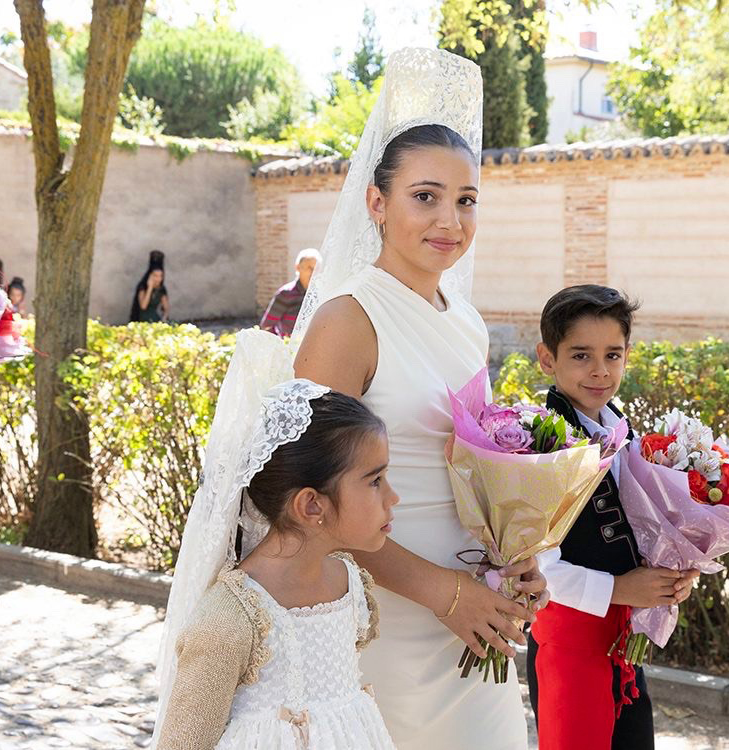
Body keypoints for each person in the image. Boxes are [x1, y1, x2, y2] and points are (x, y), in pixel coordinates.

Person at [291, 48, 544, 750]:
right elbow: (307, 501)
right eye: (425, 196)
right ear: (376, 203)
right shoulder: (348, 320)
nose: (450, 221)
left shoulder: (467, 322)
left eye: (466, 202)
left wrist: (515, 557)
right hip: (390, 623)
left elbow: (474, 467)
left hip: (478, 616)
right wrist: (440, 592)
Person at [155, 381, 398, 749]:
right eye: (376, 481)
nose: (393, 497)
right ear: (311, 505)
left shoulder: (349, 586)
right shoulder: (230, 621)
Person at [527, 285, 702, 750]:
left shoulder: (622, 430)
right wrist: (620, 589)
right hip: (569, 643)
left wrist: (672, 574)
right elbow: (531, 566)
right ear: (548, 358)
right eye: (581, 355)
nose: (600, 371)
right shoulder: (537, 445)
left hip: (624, 639)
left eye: (613, 354)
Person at [259, 248, 321, 337]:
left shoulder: (320, 294)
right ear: (298, 267)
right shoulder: (285, 294)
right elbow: (267, 326)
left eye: (316, 268)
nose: (313, 272)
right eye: (309, 268)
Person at [130, 250, 169, 323]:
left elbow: (166, 308)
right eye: (155, 276)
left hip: (155, 320)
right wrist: (150, 288)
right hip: (142, 321)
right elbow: (143, 306)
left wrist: (164, 318)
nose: (158, 279)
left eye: (160, 276)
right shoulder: (143, 287)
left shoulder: (161, 289)